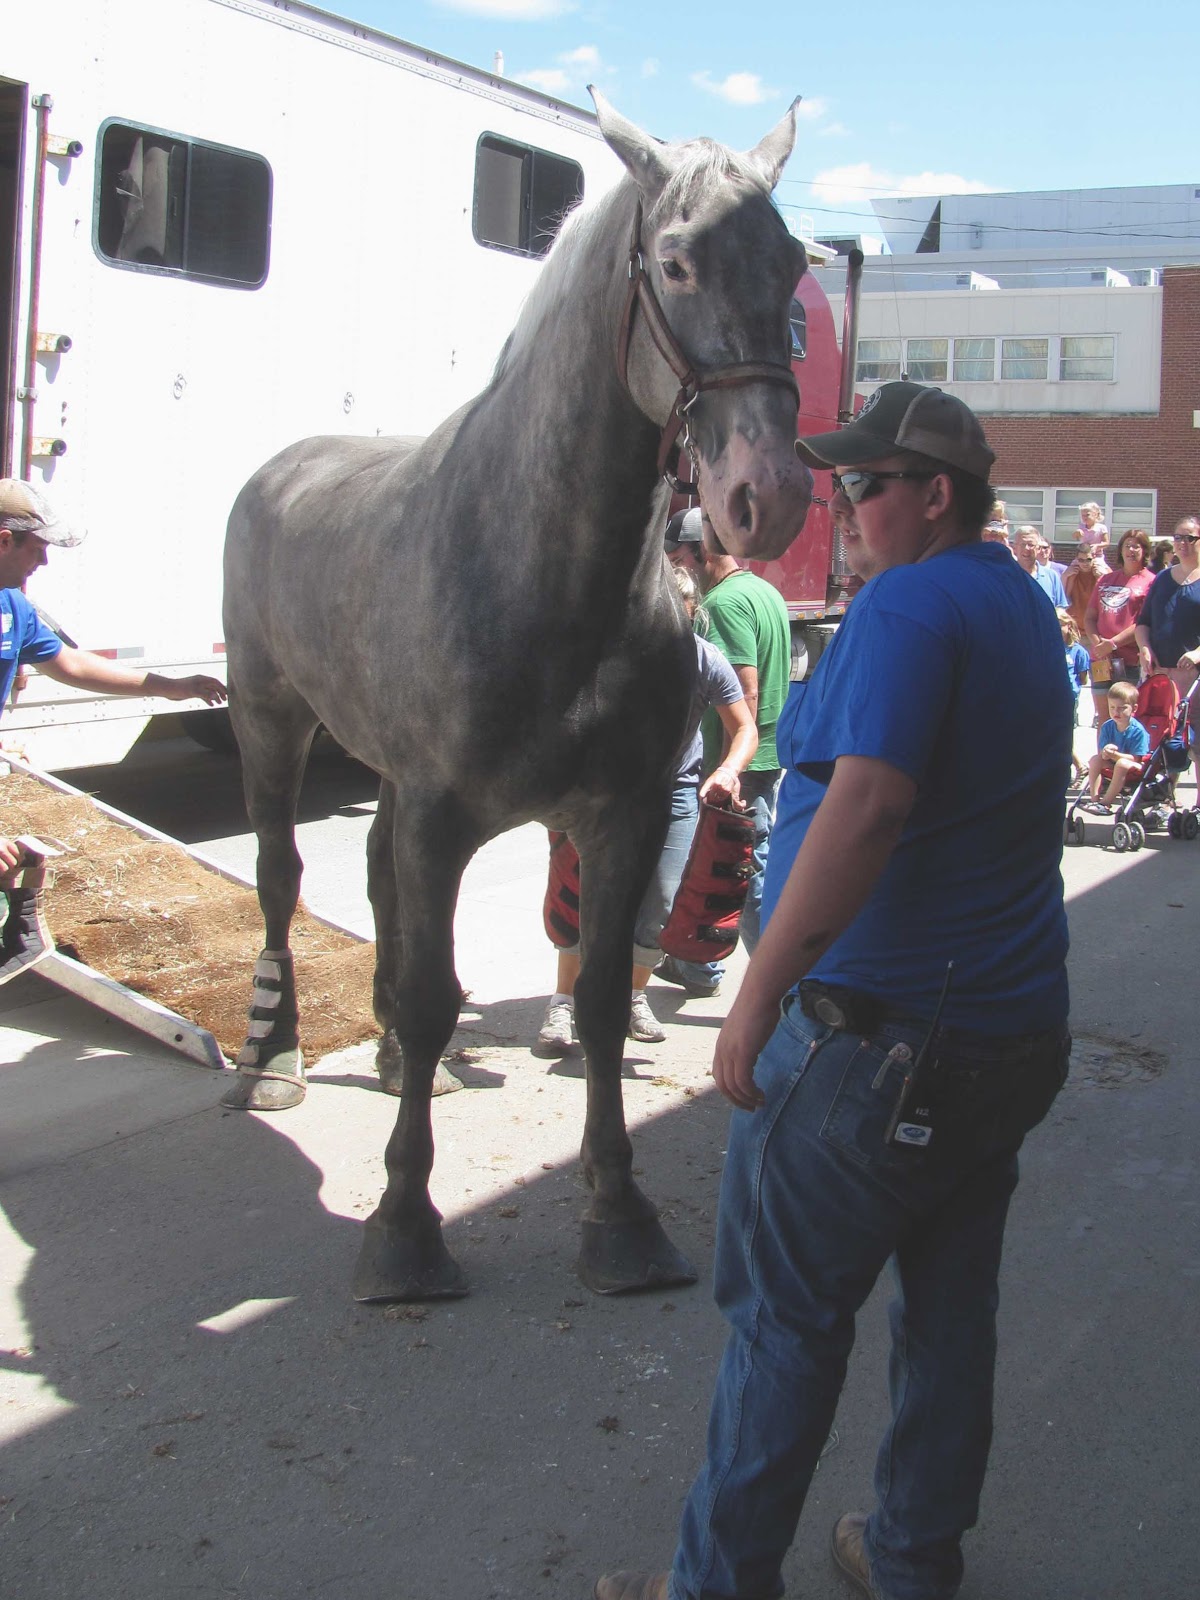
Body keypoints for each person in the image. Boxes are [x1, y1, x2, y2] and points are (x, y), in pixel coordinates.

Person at [595, 382, 1071, 1600]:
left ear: (936, 495)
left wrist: (756, 993)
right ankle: (912, 1557)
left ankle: (715, 1586)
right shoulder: (1017, 600)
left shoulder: (915, 600)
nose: (844, 506)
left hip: (888, 1037)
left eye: (865, 486)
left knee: (783, 1326)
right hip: (1004, 1033)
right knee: (949, 1313)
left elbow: (866, 805)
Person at [1, 479, 227, 980]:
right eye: (37, 548)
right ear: (3, 540)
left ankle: (18, 933)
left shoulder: (13, 606)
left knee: (24, 855)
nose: (43, 562)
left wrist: (171, 687)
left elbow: (73, 666)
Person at [535, 562, 757, 1052]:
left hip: (675, 793)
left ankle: (635, 997)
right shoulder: (610, 657)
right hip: (603, 794)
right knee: (579, 897)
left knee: (660, 901)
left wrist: (728, 769)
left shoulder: (705, 660)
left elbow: (745, 728)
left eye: (674, 619)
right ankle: (562, 1004)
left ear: (691, 614)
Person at [656, 507, 790, 998]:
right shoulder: (762, 590)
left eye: (677, 556)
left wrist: (725, 766)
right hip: (765, 756)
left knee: (742, 872)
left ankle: (776, 986)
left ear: (701, 551)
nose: (674, 569)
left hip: (739, 765)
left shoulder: (726, 604)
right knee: (729, 865)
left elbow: (745, 694)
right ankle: (699, 967)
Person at [1135, 515, 1200, 794]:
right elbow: (1143, 622)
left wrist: (1198, 653)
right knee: (1162, 735)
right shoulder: (1162, 579)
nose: (1182, 543)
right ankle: (1163, 796)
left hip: (1193, 675)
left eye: (1189, 538)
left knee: (1194, 739)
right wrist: (1145, 649)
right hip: (1160, 672)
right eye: (1178, 538)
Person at [1083, 528, 1154, 726]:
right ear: (1120, 550)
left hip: (1128, 660)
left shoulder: (1151, 582)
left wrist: (1112, 644)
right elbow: (1089, 617)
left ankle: (1122, 756)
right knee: (1104, 719)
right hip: (1100, 660)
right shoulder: (1106, 579)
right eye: (1127, 545)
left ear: (1145, 551)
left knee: (1123, 719)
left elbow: (1143, 622)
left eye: (1136, 546)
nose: (1131, 550)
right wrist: (1099, 644)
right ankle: (1102, 756)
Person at [1081, 681, 1151, 813]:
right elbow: (1102, 752)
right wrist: (1106, 751)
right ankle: (1094, 800)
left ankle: (1105, 802)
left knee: (1122, 763)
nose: (1116, 712)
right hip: (1114, 762)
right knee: (1095, 759)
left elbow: (1136, 758)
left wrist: (1115, 755)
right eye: (1112, 707)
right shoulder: (1108, 726)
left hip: (1135, 766)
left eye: (1121, 708)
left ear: (1134, 709)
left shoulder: (1138, 731)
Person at [1059, 609, 1089, 784]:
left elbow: (1083, 678)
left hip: (1069, 697)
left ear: (1068, 626)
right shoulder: (1048, 646)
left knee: (1063, 734)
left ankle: (1078, 766)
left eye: (1061, 625)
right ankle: (1078, 766)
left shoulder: (1077, 651)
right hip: (1051, 695)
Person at [1014, 524, 1067, 607]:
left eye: (1031, 545)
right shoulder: (1005, 577)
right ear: (1015, 548)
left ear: (1038, 549)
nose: (1026, 548)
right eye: (1022, 544)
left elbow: (1061, 609)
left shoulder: (1051, 576)